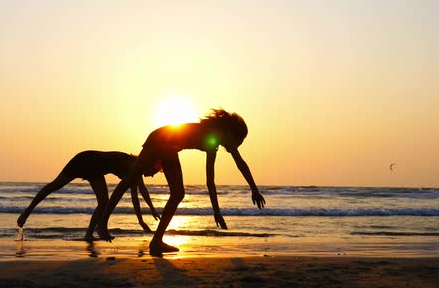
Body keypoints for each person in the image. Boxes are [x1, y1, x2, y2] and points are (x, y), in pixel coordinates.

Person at [94, 109, 266, 255]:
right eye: (238, 142)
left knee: (175, 193)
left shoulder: (212, 142)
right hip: (161, 139)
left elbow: (214, 179)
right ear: (229, 133)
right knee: (131, 179)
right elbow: (227, 170)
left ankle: (156, 242)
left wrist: (221, 209)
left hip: (168, 144)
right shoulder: (212, 137)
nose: (237, 147)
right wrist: (249, 193)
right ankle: (104, 224)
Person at [16, 151, 162, 241]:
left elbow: (141, 193)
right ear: (153, 164)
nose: (154, 175)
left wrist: (148, 214)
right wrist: (141, 221)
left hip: (83, 157)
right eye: (157, 171)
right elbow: (136, 196)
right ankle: (92, 232)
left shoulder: (136, 167)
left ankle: (26, 213)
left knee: (54, 185)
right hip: (92, 161)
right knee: (104, 202)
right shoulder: (134, 165)